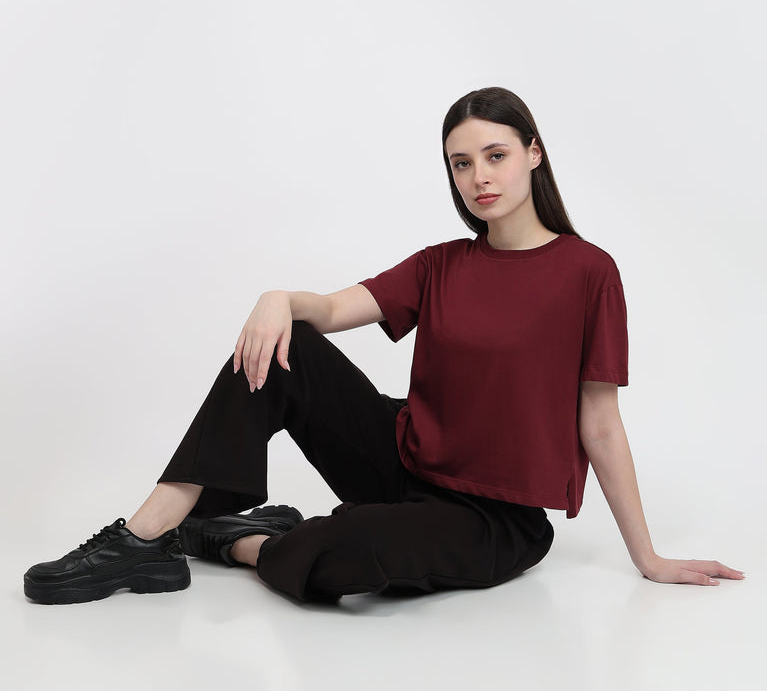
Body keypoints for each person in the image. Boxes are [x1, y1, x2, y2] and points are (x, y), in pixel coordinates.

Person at [23, 86, 744, 605]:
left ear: (533, 153)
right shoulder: (441, 264)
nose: (479, 177)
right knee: (288, 345)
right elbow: (334, 309)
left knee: (350, 552)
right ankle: (145, 538)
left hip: (492, 519)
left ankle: (233, 539)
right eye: (460, 163)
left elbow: (600, 422)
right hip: (401, 458)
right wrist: (279, 297)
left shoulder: (587, 272)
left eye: (495, 154)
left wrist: (648, 557)